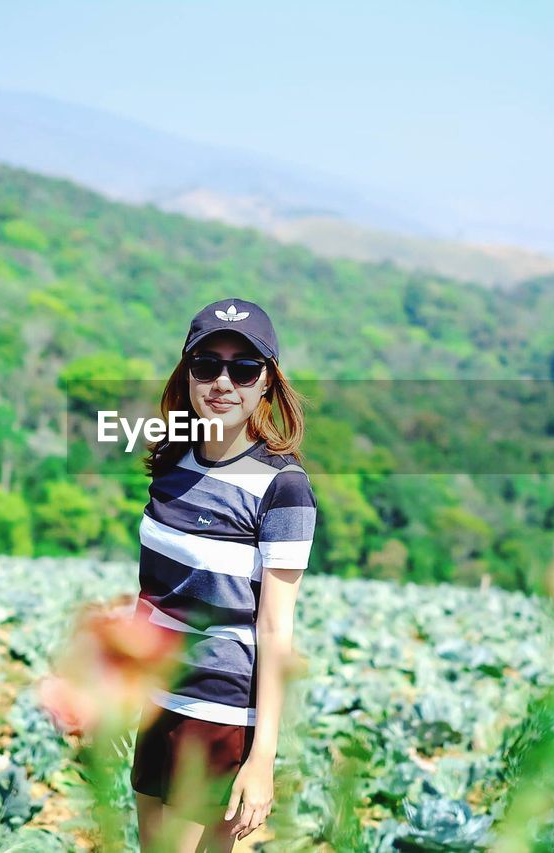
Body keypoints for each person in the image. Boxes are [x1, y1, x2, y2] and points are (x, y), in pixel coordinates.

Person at [129, 297, 318, 851]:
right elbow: (156, 596)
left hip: (217, 711)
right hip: (156, 701)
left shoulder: (283, 488)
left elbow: (276, 630)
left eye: (244, 369)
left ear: (267, 384)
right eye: (206, 364)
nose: (222, 382)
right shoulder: (173, 461)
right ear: (186, 375)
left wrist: (262, 758)